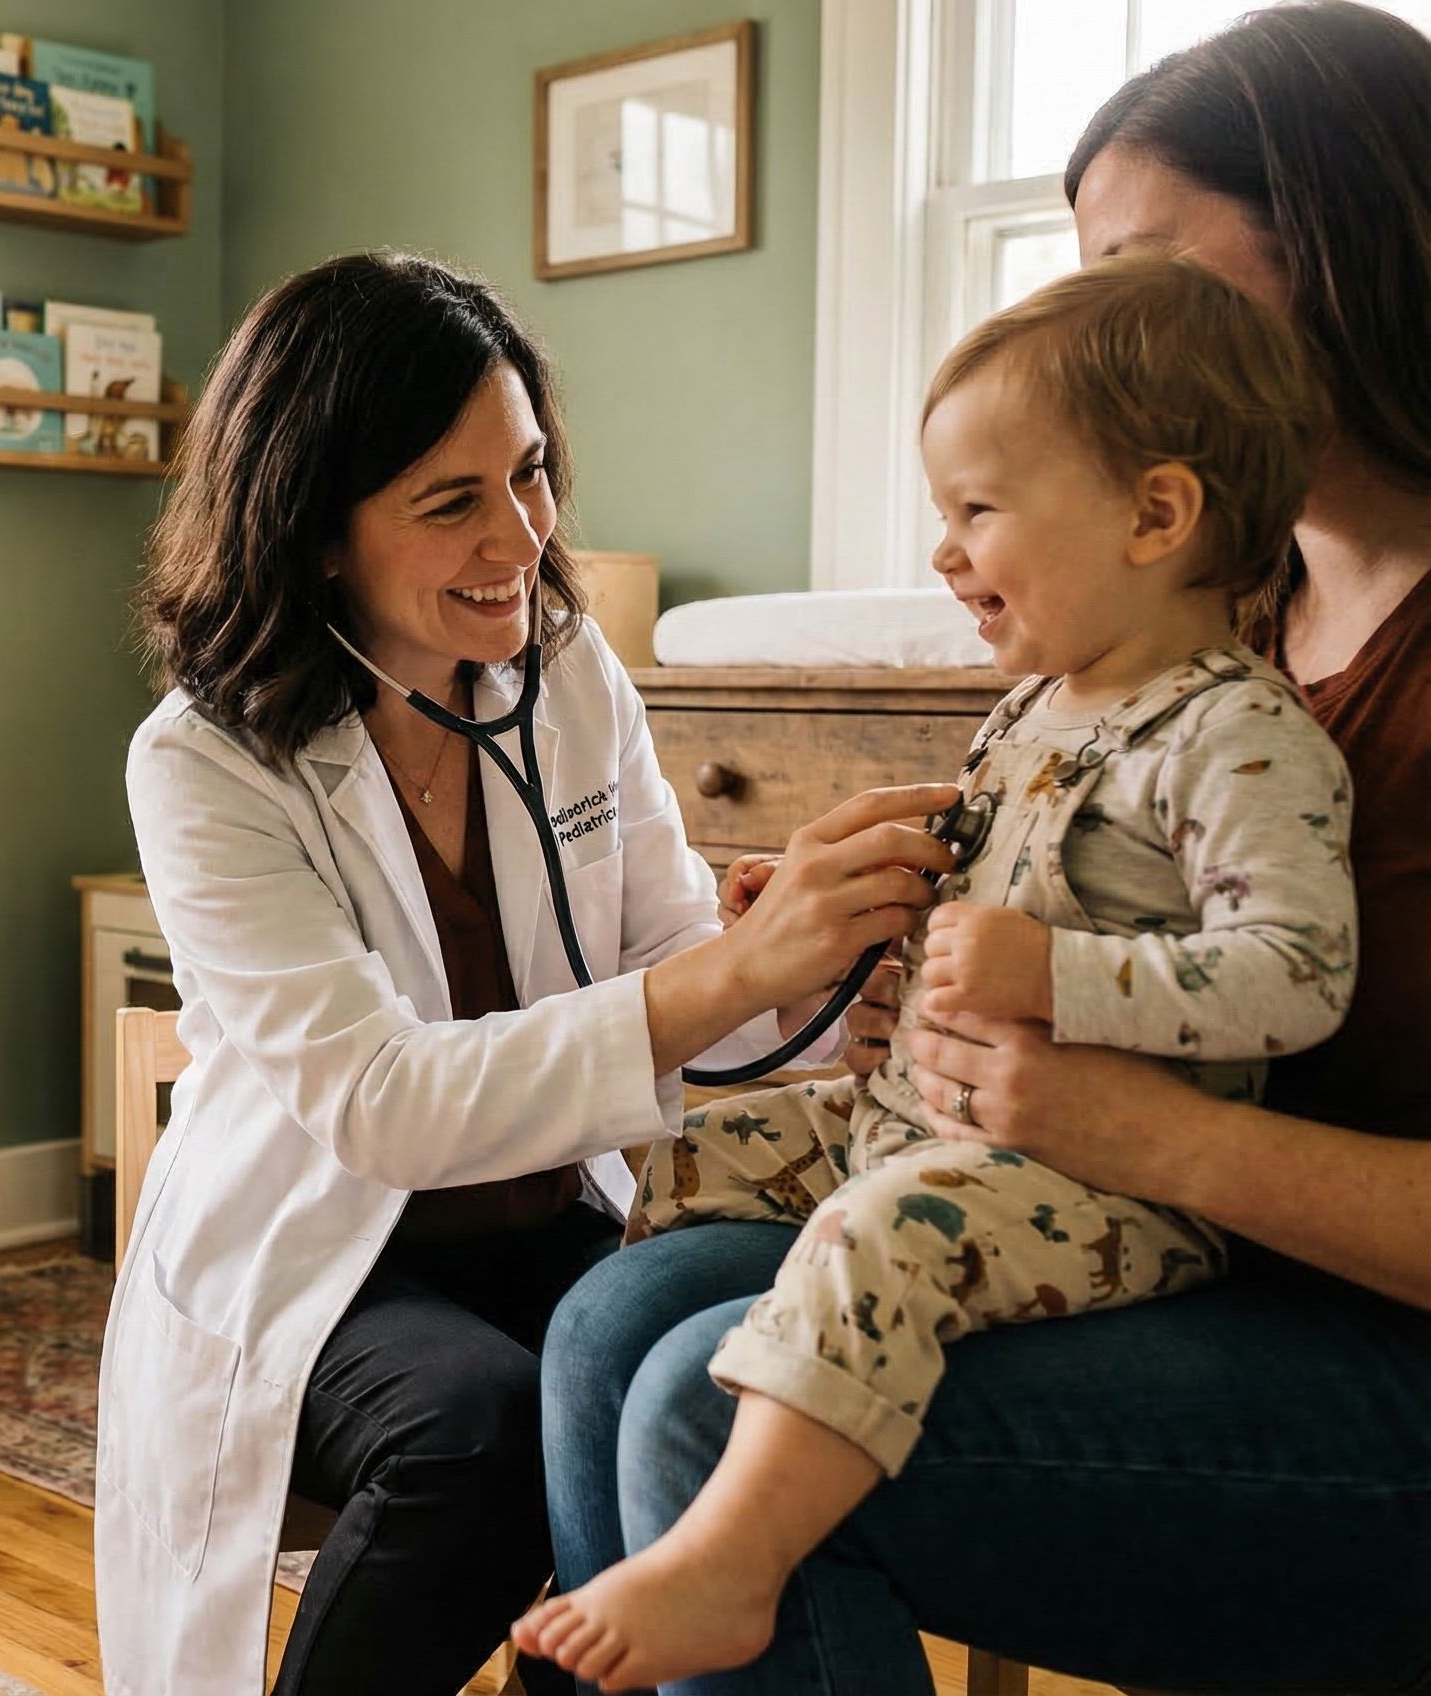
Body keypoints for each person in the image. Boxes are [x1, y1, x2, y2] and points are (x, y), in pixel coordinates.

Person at [534, 5, 1431, 1691]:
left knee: (702, 1394)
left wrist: (1134, 1124)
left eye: (1147, 271)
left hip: (1366, 1331)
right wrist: (905, 969)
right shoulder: (1184, 637)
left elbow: (1212, 1007)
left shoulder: (1247, 690)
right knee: (608, 1325)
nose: (1099, 329)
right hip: (1182, 1240)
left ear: (1359, 232)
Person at [94, 250, 960, 1696]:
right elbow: (383, 1106)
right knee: (480, 1433)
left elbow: (661, 952)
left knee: (699, 1393)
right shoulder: (203, 761)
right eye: (452, 502)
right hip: (329, 1261)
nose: (522, 536)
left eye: (532, 475)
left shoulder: (567, 676)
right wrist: (731, 970)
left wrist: (800, 976)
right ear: (315, 531)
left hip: (553, 1214)